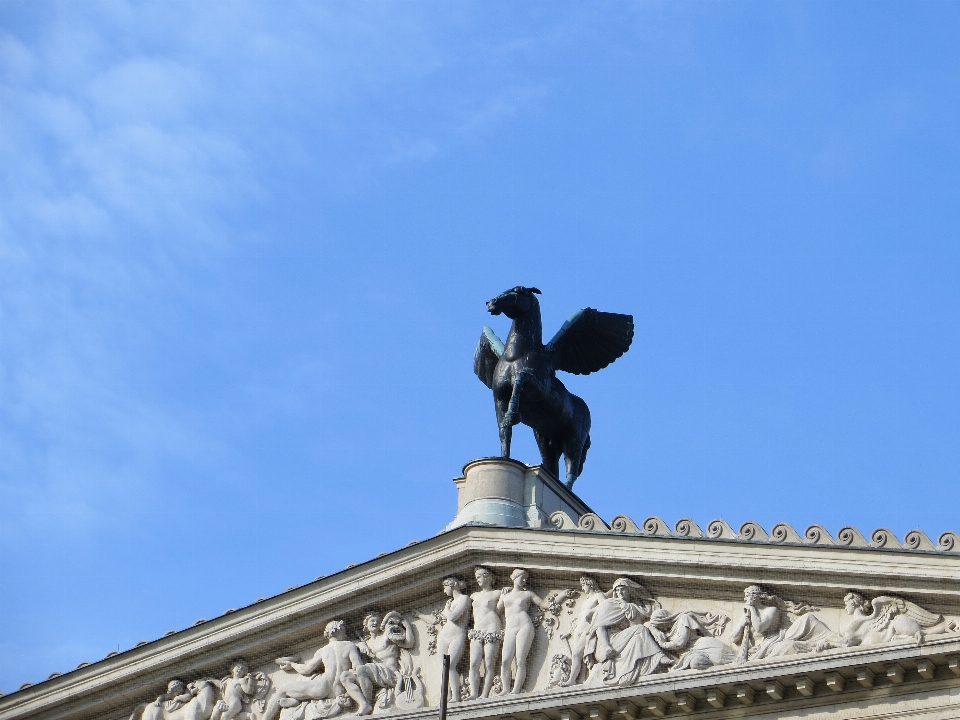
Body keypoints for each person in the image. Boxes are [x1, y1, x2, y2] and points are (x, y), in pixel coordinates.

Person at [262, 620, 362, 720]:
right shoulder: (349, 645)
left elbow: (306, 670)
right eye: (344, 630)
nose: (345, 633)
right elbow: (358, 667)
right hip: (341, 688)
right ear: (339, 631)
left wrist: (292, 664)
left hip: (321, 687)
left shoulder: (323, 650)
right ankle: (295, 700)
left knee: (283, 689)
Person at [580, 578, 672, 685]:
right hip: (607, 645)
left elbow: (640, 625)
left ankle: (651, 664)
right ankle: (659, 656)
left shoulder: (631, 607)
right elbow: (599, 628)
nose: (620, 593)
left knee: (638, 636)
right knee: (640, 629)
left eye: (623, 589)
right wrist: (606, 647)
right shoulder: (609, 604)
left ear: (629, 590)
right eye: (617, 590)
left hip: (621, 640)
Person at [497, 568, 574, 694]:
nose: (524, 579)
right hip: (510, 627)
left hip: (524, 625)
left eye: (526, 577)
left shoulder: (528, 594)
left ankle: (515, 690)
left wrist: (562, 595)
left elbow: (544, 605)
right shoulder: (504, 595)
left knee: (520, 659)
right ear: (514, 577)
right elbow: (496, 610)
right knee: (505, 660)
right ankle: (505, 689)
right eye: (522, 576)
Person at [340, 611, 415, 715]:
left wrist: (408, 627)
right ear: (365, 625)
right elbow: (346, 645)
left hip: (390, 674)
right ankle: (363, 703)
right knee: (345, 676)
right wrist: (359, 644)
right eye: (372, 621)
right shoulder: (366, 642)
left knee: (362, 669)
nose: (375, 623)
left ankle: (367, 704)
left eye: (377, 621)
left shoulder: (387, 635)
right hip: (373, 675)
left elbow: (409, 644)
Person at [728, 585, 829, 661]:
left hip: (773, 641)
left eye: (751, 595)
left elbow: (760, 627)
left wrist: (752, 610)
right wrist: (741, 625)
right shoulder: (746, 614)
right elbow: (734, 638)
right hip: (756, 650)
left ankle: (831, 639)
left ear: (759, 597)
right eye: (747, 596)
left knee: (808, 618)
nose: (747, 598)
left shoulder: (771, 610)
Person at [415, 578, 470, 702]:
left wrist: (446, 609)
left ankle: (456, 696)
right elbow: (434, 620)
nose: (444, 591)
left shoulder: (464, 599)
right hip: (444, 636)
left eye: (445, 588)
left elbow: (453, 616)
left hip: (457, 635)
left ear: (451, 586)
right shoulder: (450, 603)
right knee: (443, 668)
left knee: (450, 666)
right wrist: (419, 615)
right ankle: (448, 696)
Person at [560, 575, 606, 686]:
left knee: (576, 654)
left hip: (588, 629)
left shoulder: (598, 596)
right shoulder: (586, 601)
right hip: (578, 630)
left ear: (590, 584)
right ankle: (581, 679)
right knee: (578, 656)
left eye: (584, 585)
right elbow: (580, 618)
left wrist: (591, 611)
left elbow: (605, 606)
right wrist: (570, 632)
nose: (583, 588)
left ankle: (572, 680)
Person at [466, 567, 503, 699]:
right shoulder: (473, 596)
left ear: (488, 577)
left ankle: (485, 694)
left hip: (492, 627)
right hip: (477, 629)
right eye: (476, 576)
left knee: (489, 663)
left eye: (480, 575)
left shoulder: (498, 593)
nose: (477, 578)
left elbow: (499, 611)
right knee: (474, 663)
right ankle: (474, 693)